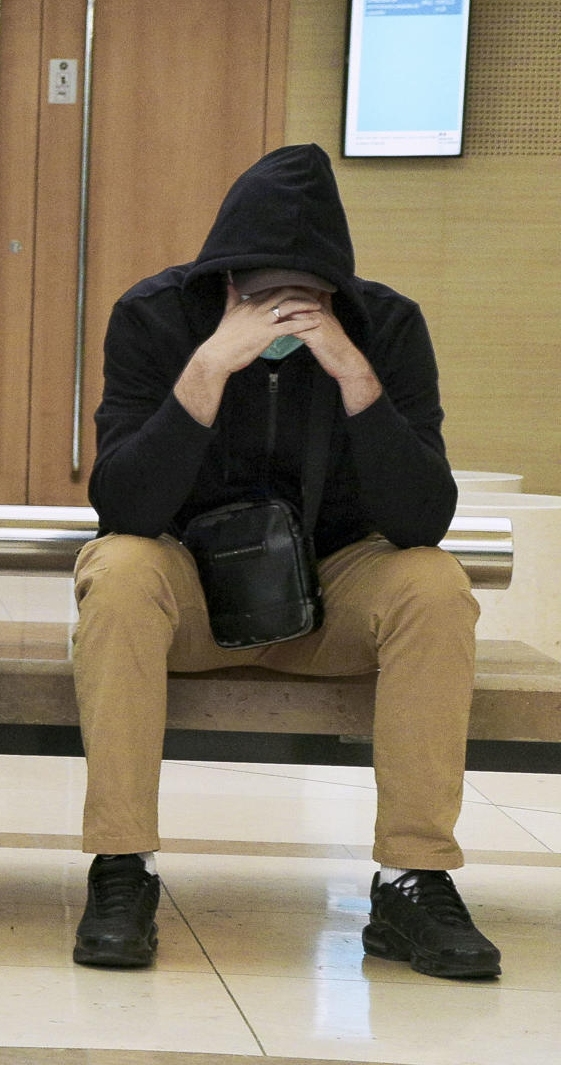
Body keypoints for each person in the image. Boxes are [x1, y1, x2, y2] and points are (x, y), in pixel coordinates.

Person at [70, 143, 501, 979]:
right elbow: (123, 504)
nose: (283, 318)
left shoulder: (389, 328)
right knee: (119, 570)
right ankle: (122, 866)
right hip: (187, 589)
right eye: (264, 298)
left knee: (435, 586)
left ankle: (413, 877)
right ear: (225, 286)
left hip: (333, 596)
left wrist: (350, 371)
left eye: (303, 301)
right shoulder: (155, 318)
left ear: (335, 293)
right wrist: (209, 367)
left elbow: (423, 519)